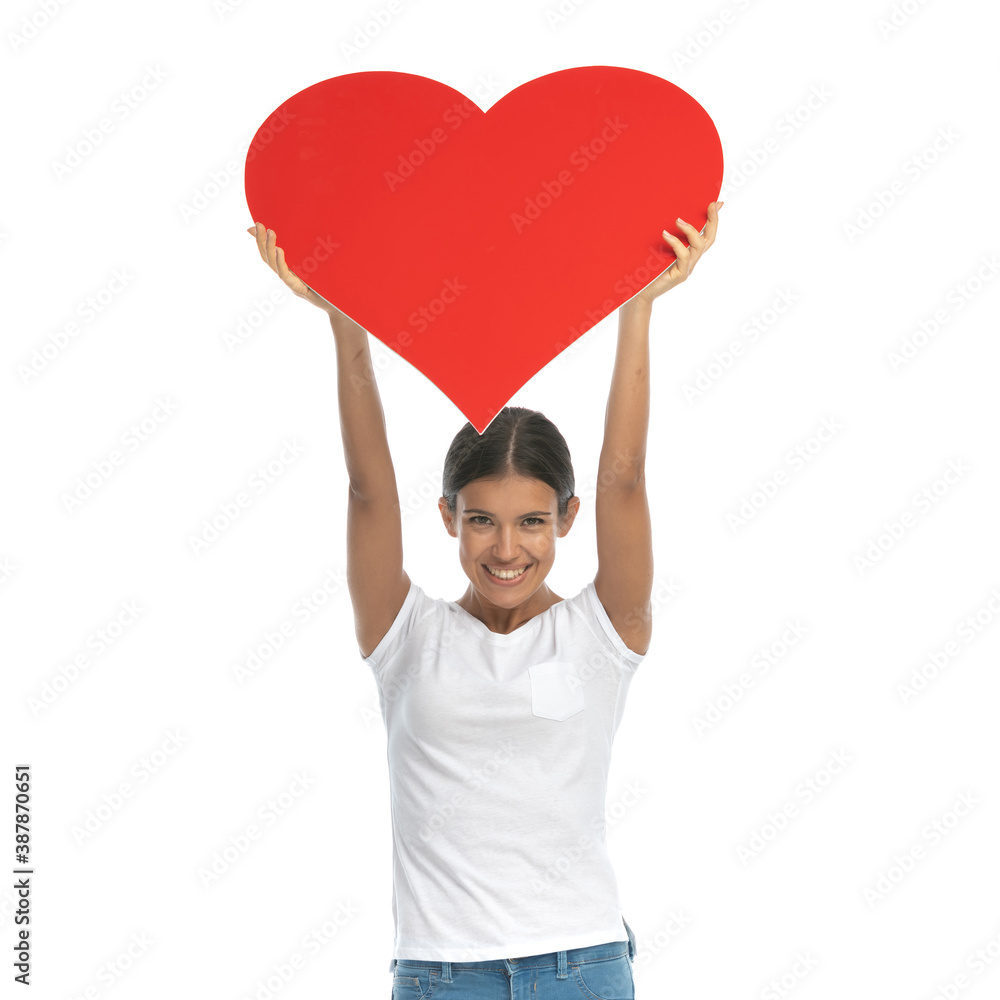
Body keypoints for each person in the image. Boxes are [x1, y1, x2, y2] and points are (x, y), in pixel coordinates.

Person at [247, 201, 721, 998]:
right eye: (482, 522)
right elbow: (368, 489)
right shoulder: (406, 637)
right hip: (439, 975)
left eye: (533, 521)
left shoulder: (602, 636)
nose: (507, 549)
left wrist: (636, 308)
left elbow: (625, 477)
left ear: (568, 519)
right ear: (448, 520)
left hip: (583, 966)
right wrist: (344, 320)